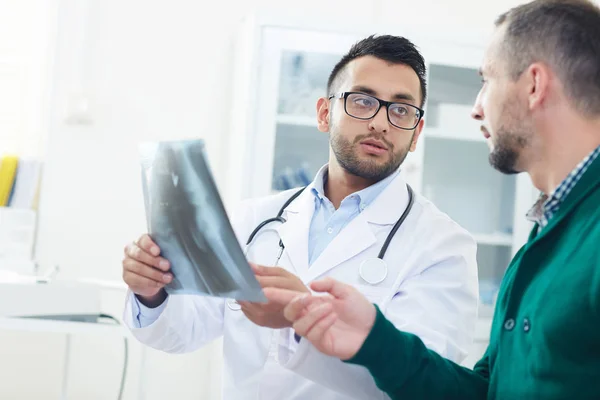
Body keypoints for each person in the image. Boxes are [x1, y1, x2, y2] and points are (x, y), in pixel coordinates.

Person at [265, 1, 600, 399]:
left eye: (486, 80)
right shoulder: (545, 235)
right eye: (361, 101)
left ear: (533, 85)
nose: (476, 109)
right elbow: (488, 392)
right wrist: (376, 340)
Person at [121, 35, 480, 400]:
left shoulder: (444, 247)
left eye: (401, 110)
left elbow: (421, 385)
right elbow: (184, 331)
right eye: (362, 101)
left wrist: (302, 318)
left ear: (416, 132)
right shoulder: (253, 219)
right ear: (325, 113)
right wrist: (152, 292)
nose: (380, 123)